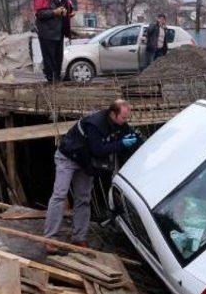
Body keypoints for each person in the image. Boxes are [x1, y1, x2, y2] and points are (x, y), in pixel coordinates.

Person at [44, 99, 139, 253]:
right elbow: (98, 150)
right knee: (60, 195)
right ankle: (50, 238)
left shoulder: (119, 123)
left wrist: (135, 139)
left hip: (86, 162)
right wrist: (121, 144)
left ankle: (79, 238)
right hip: (68, 157)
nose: (125, 121)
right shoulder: (95, 123)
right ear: (113, 113)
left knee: (83, 198)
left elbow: (130, 134)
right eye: (123, 117)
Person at [33, 0, 75, 82]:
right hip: (46, 32)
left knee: (58, 58)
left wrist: (69, 13)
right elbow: (39, 14)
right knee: (49, 58)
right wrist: (54, 12)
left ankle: (56, 78)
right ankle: (51, 80)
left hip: (59, 31)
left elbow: (69, 8)